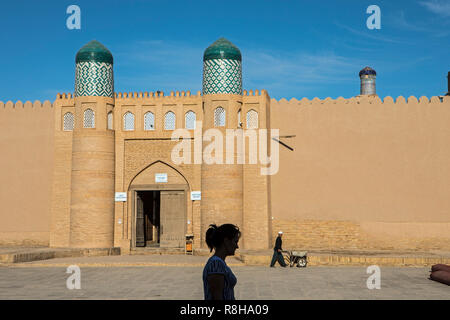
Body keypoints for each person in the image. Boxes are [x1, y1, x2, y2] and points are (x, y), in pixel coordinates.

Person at [203, 223, 241, 300]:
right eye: (235, 242)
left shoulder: (219, 263)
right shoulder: (215, 264)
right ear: (226, 241)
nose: (237, 246)